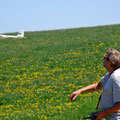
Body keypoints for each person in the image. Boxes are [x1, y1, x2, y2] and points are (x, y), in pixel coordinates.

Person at [70, 48, 120, 120]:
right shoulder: (109, 75)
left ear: (110, 62)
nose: (103, 59)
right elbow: (98, 85)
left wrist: (103, 113)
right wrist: (80, 91)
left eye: (105, 57)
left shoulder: (116, 77)